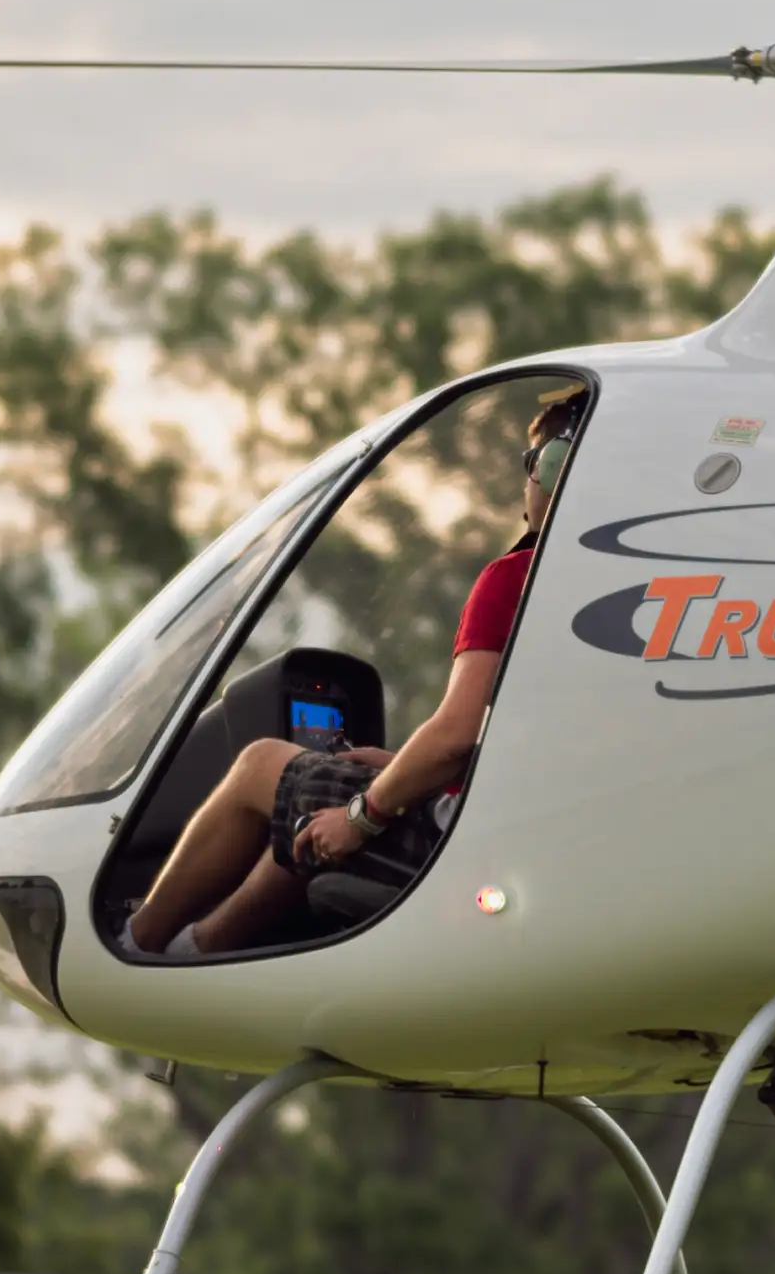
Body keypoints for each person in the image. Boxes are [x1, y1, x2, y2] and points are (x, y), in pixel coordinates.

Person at [124, 392, 585, 962]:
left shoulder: (518, 578)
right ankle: (204, 948)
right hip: (567, 840)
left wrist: (363, 817)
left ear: (557, 469)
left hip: (480, 845)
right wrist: (401, 775)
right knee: (322, 793)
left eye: (534, 461)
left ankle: (136, 945)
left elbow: (458, 734)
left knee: (262, 766)